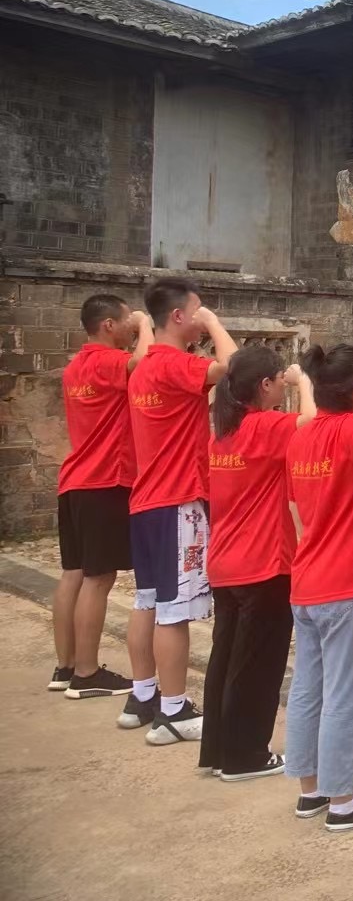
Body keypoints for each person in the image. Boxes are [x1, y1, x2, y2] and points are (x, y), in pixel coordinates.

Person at [285, 344, 353, 831]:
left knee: (309, 689)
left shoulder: (301, 438)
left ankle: (311, 789)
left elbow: (296, 512)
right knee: (349, 695)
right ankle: (344, 801)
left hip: (308, 579)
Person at [123, 278, 236, 744]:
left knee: (147, 601)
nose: (200, 319)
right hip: (176, 500)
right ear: (177, 316)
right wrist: (215, 322)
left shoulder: (143, 368)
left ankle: (142, 694)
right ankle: (173, 709)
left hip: (146, 500)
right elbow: (232, 368)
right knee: (174, 611)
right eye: (195, 311)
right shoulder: (173, 363)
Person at [200, 346, 316, 781]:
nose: (282, 386)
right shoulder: (263, 427)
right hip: (263, 562)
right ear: (265, 385)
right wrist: (304, 381)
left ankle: (219, 750)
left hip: (225, 562)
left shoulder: (222, 433)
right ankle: (245, 756)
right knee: (257, 665)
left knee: (226, 660)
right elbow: (312, 423)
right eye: (278, 380)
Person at [54, 295, 154, 698]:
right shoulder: (107, 361)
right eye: (126, 318)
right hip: (104, 480)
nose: (131, 323)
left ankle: (65, 667)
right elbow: (144, 363)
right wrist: (145, 326)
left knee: (74, 573)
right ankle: (87, 673)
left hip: (75, 481)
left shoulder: (75, 366)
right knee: (99, 577)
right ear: (109, 325)